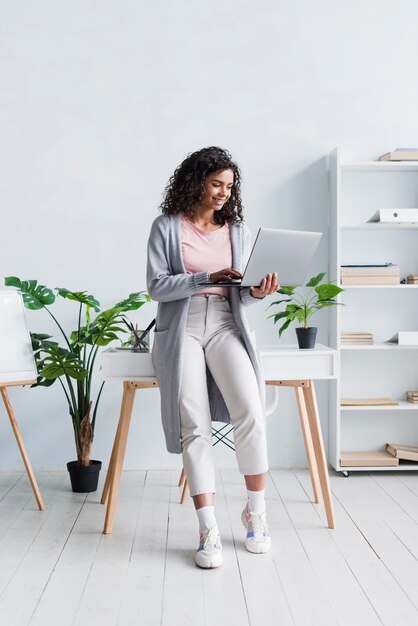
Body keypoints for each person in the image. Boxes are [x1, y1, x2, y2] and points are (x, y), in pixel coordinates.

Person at [146, 146, 279, 569]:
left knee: (251, 412)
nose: (223, 193)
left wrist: (256, 292)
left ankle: (255, 513)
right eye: (216, 184)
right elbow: (157, 287)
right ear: (196, 181)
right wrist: (205, 277)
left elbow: (239, 293)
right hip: (181, 327)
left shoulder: (236, 231)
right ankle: (207, 528)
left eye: (229, 186)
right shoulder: (166, 227)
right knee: (194, 425)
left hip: (225, 323)